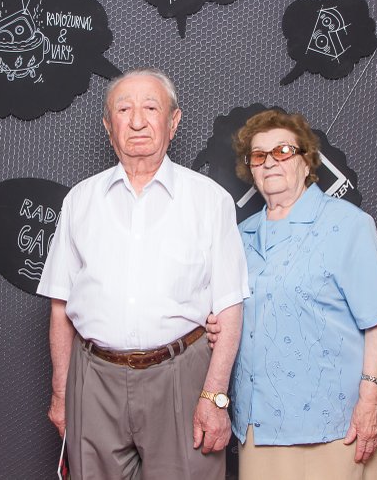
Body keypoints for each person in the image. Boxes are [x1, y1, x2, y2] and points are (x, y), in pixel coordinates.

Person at [37, 68, 249, 479]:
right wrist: (61, 393)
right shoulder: (80, 200)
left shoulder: (210, 201)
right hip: (93, 379)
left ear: (173, 122)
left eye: (151, 108)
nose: (137, 121)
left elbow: (230, 307)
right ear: (108, 126)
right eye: (123, 110)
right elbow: (60, 306)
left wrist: (215, 396)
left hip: (182, 376)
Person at [206, 109, 377, 479]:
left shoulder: (346, 224)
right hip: (258, 424)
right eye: (259, 155)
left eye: (282, 151)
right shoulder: (241, 236)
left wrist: (372, 400)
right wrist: (220, 327)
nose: (270, 162)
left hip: (333, 426)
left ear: (306, 160)